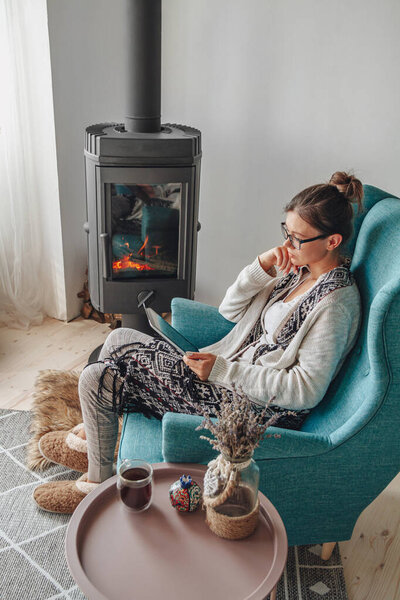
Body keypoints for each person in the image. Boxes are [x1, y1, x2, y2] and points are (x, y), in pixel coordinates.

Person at [33, 171, 363, 514]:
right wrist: (262, 266)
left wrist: (221, 370)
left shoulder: (335, 304)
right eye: (286, 232)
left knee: (98, 376)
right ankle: (94, 446)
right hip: (225, 382)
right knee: (116, 339)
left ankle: (95, 483)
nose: (288, 245)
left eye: (297, 238)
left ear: (332, 241)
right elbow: (229, 310)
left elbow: (306, 389)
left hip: (249, 410)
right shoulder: (297, 270)